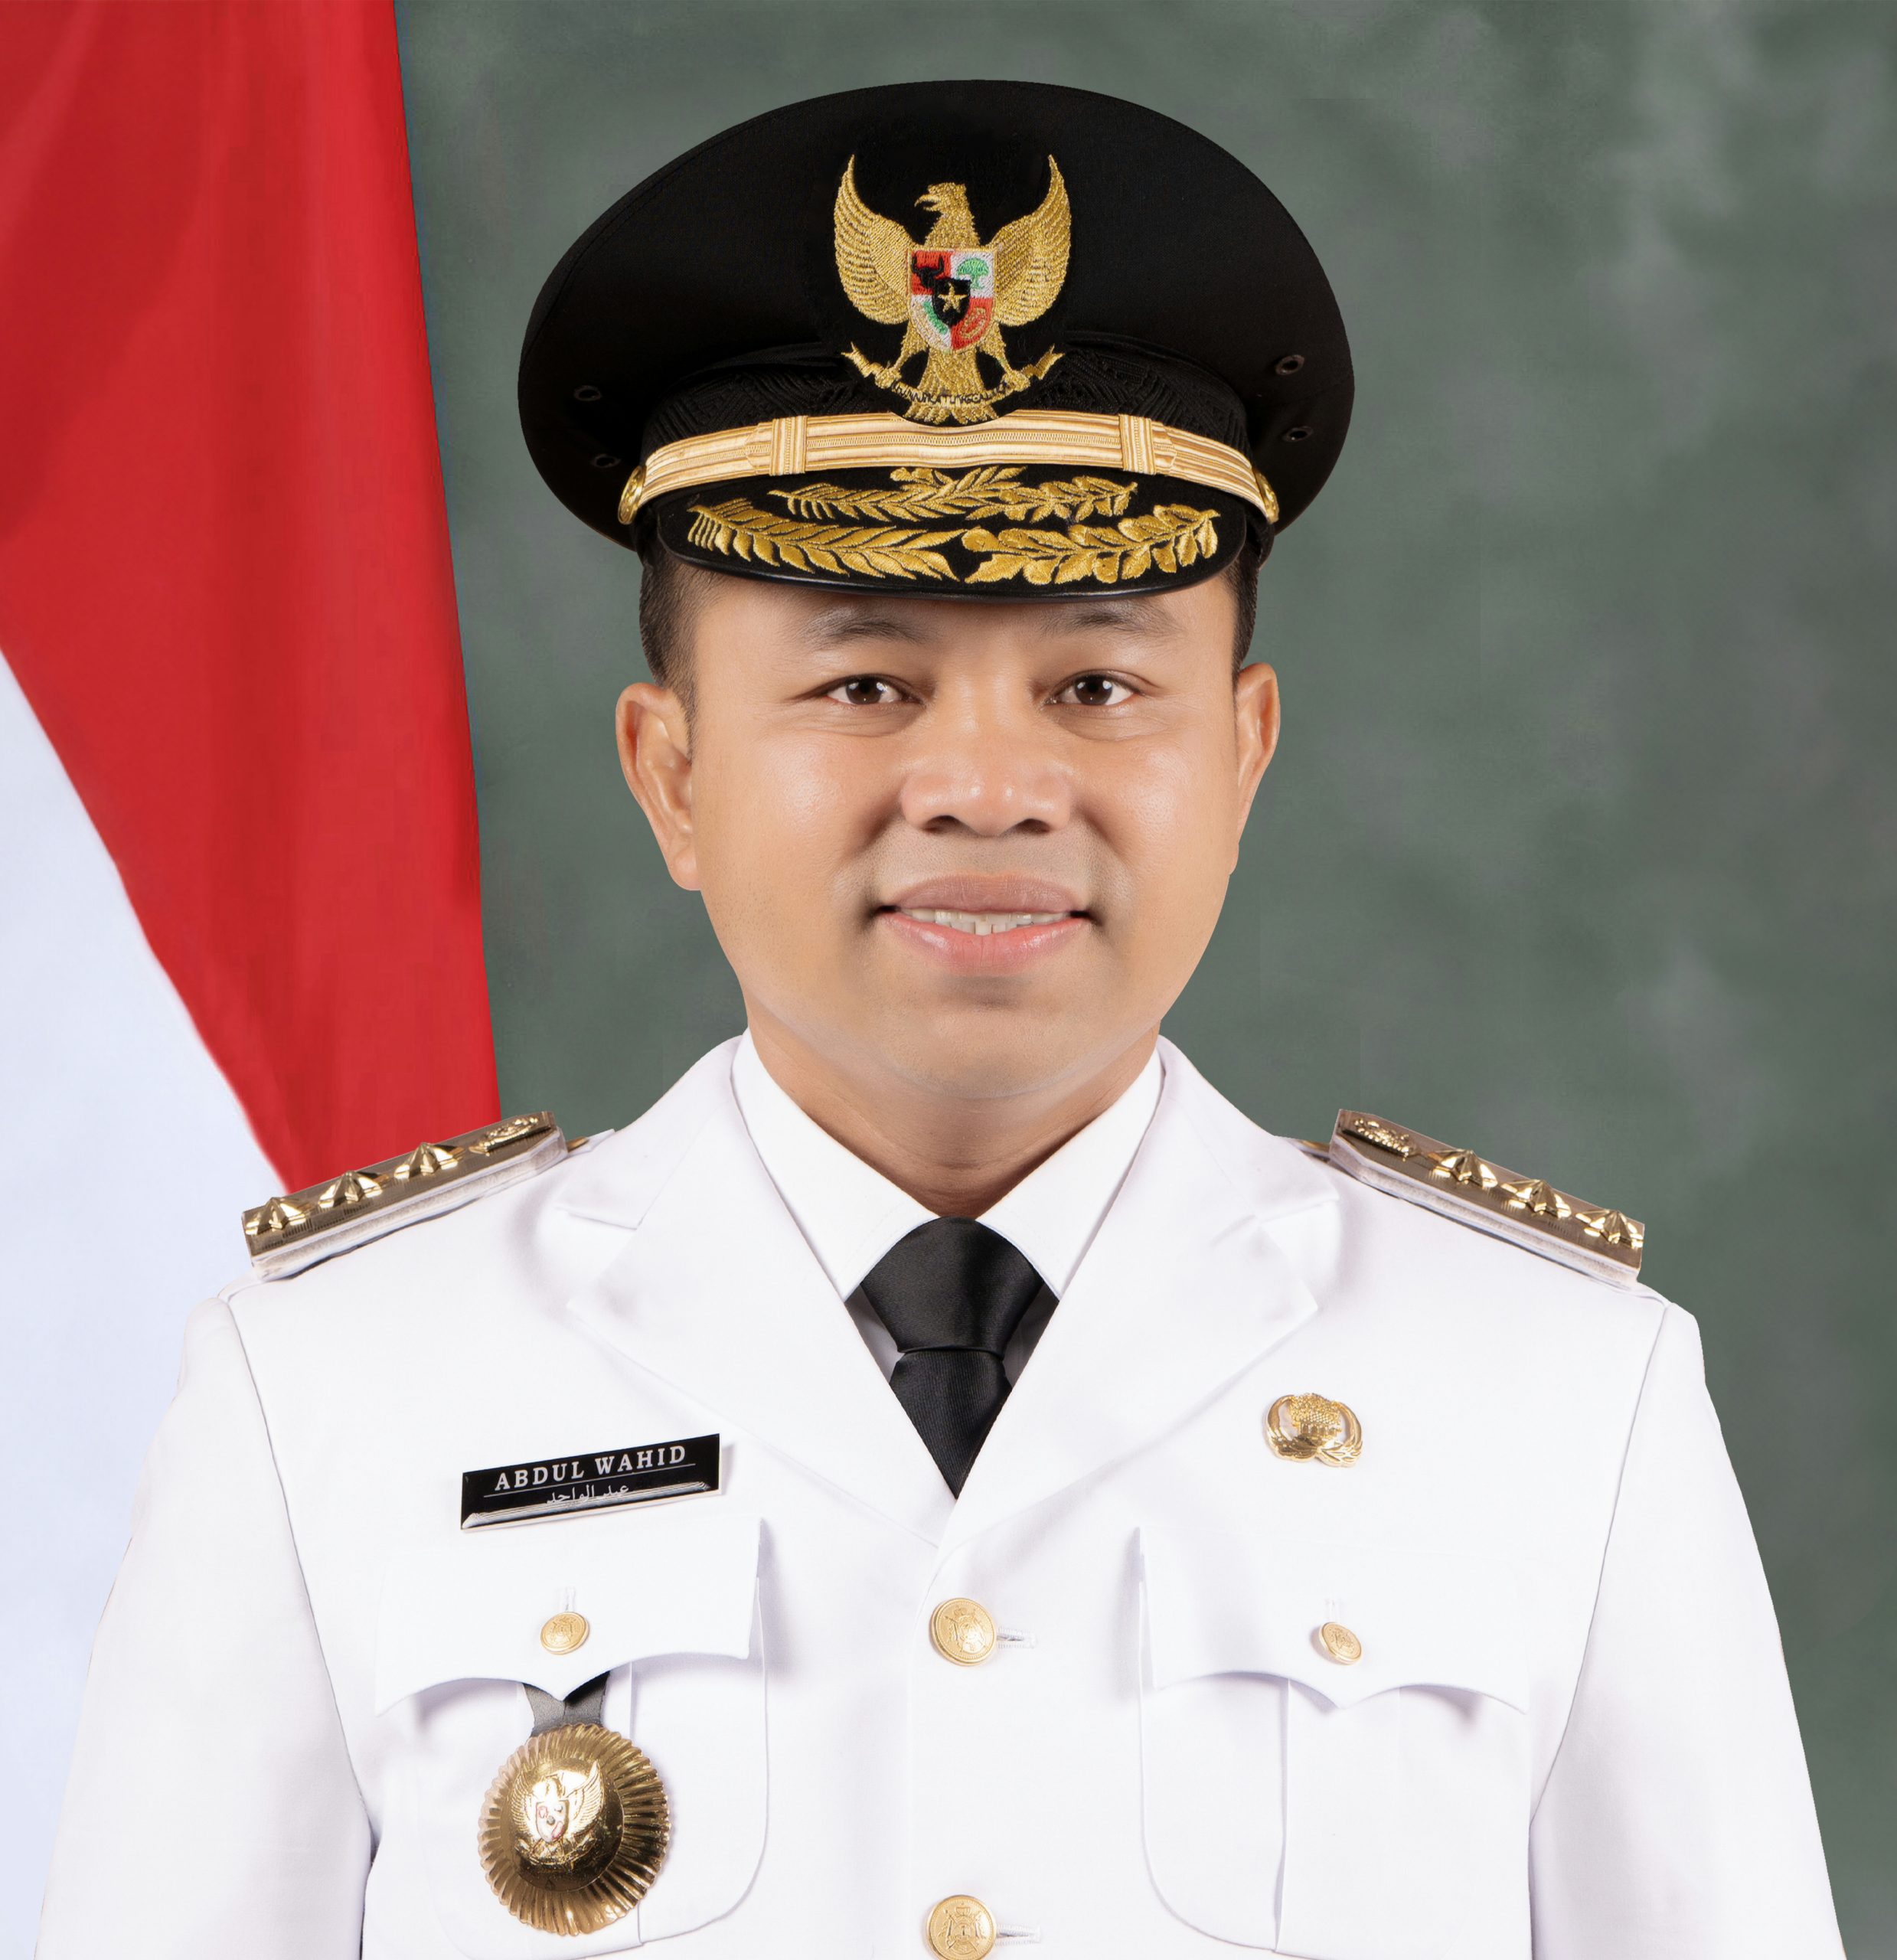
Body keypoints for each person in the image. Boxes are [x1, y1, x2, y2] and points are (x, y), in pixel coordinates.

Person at [39, 80, 1842, 1960]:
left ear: (1243, 756)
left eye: (1097, 685)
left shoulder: (1562, 1395)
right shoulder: (332, 1390)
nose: (988, 786)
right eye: (868, 684)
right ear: (672, 773)